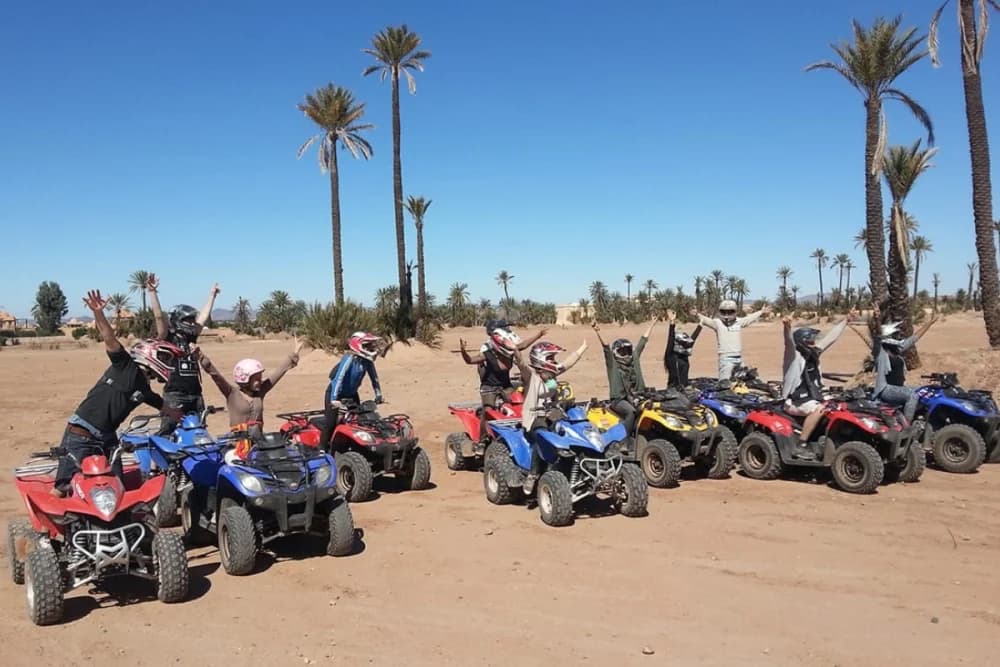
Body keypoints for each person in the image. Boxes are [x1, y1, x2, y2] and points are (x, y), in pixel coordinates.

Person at [51, 290, 176, 496]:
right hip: (82, 434)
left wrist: (183, 416)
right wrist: (98, 313)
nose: (168, 363)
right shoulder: (124, 365)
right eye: (165, 358)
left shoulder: (144, 388)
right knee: (63, 487)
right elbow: (109, 337)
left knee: (117, 486)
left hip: (108, 438)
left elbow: (162, 404)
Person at [198, 339, 303, 457]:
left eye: (260, 378)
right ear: (245, 379)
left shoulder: (260, 392)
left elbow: (279, 372)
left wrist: (295, 353)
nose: (260, 381)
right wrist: (201, 356)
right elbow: (215, 375)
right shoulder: (231, 393)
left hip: (258, 444)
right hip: (237, 446)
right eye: (256, 379)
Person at [147, 275, 221, 433]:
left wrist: (212, 296)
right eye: (188, 320)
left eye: (192, 320)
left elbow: (203, 317)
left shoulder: (191, 337)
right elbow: (159, 317)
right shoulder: (168, 338)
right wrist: (152, 292)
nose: (192, 323)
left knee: (199, 432)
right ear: (177, 320)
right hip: (175, 395)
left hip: (196, 394)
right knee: (167, 432)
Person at [459, 321, 546, 443]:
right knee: (487, 411)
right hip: (489, 387)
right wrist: (463, 351)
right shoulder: (487, 354)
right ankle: (482, 441)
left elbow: (523, 345)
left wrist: (539, 335)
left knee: (519, 404)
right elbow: (470, 360)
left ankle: (522, 430)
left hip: (505, 385)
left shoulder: (510, 351)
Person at [780, 312, 851, 446]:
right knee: (819, 409)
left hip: (813, 396)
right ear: (803, 342)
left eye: (814, 341)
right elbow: (788, 342)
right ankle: (802, 442)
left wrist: (846, 320)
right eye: (811, 341)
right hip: (796, 400)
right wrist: (787, 327)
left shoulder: (813, 353)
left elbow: (830, 338)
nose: (814, 343)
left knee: (842, 404)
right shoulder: (793, 357)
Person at [868, 306, 939, 421]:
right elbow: (877, 335)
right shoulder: (880, 351)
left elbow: (915, 338)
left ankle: (921, 420)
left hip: (898, 387)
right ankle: (907, 425)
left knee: (923, 391)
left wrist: (930, 323)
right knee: (912, 395)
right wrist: (877, 318)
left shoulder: (897, 349)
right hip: (886, 389)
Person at [318, 332, 385, 450]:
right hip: (334, 393)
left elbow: (374, 377)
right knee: (331, 422)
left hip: (352, 394)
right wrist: (334, 399)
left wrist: (378, 394)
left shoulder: (367, 361)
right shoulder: (349, 358)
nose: (370, 348)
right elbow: (339, 378)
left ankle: (353, 446)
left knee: (358, 420)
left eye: (371, 345)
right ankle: (322, 449)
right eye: (367, 345)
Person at [592, 318, 658, 434]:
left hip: (638, 396)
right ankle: (624, 438)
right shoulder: (613, 364)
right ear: (616, 353)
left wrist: (652, 323)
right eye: (622, 352)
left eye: (628, 351)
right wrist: (598, 331)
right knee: (631, 412)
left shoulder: (634, 359)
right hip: (619, 400)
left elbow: (643, 341)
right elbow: (606, 347)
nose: (626, 354)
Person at [691, 300, 769, 380]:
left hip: (738, 358)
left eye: (730, 312)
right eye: (724, 312)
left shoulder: (738, 322)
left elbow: (749, 319)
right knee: (725, 383)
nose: (726, 315)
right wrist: (697, 314)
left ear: (735, 312)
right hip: (725, 359)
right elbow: (705, 320)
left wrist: (761, 312)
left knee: (742, 382)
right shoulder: (717, 323)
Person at [663, 309, 702, 389]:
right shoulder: (670, 356)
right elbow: (671, 339)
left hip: (685, 391)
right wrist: (672, 322)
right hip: (674, 392)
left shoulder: (684, 355)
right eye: (684, 344)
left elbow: (691, 341)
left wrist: (700, 325)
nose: (687, 346)